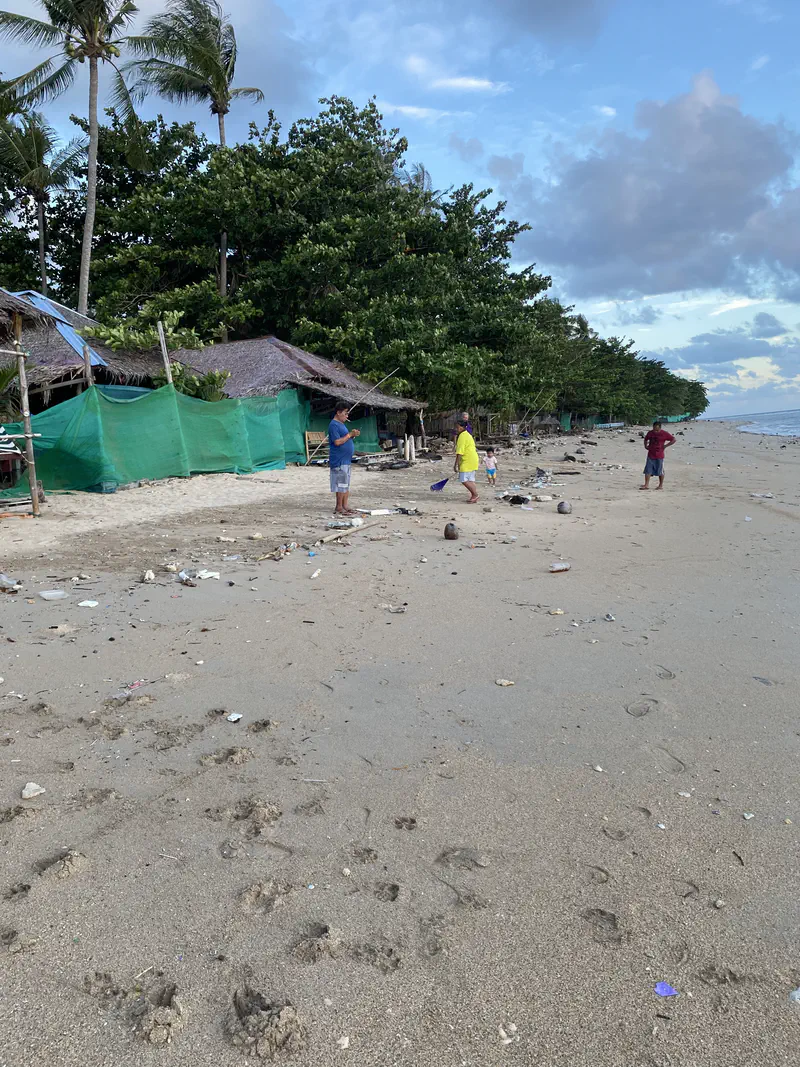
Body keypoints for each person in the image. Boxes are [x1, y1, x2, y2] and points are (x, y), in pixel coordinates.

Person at [328, 403, 360, 515]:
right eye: (345, 414)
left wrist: (352, 435)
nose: (347, 416)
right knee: (341, 483)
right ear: (338, 412)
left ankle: (345, 505)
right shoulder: (334, 425)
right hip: (339, 459)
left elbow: (345, 439)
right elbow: (337, 442)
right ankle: (339, 507)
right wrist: (350, 435)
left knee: (345, 483)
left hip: (346, 460)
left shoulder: (342, 424)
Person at [641, 420, 676, 490]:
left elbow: (673, 439)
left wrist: (665, 446)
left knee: (660, 470)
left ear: (660, 428)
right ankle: (646, 485)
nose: (655, 431)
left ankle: (660, 485)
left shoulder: (664, 433)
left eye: (657, 430)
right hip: (651, 454)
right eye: (654, 429)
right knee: (648, 470)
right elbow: (646, 439)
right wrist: (645, 446)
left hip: (659, 455)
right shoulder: (650, 433)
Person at [454, 417, 479, 502]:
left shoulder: (462, 436)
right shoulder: (468, 434)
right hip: (473, 459)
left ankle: (475, 494)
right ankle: (474, 496)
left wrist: (456, 465)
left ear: (462, 427)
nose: (456, 429)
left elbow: (459, 452)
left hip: (467, 460)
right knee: (470, 479)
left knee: (463, 479)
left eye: (457, 427)